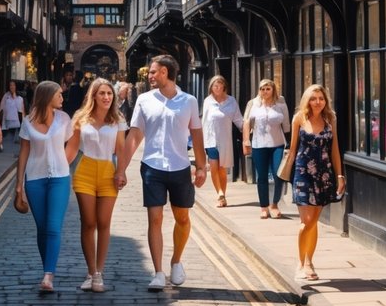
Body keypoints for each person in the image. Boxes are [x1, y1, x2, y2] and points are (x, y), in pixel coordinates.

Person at [116, 55, 206, 291]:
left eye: (153, 72)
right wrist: (121, 169)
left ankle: (176, 261)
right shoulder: (145, 100)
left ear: (166, 72)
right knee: (154, 219)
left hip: (180, 168)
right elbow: (134, 135)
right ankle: (158, 272)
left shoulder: (188, 101)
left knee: (182, 218)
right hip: (152, 167)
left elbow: (196, 135)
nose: (150, 76)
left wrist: (202, 167)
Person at [67, 77, 127, 293]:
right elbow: (72, 150)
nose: (106, 97)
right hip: (84, 171)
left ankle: (99, 272)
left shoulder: (118, 120)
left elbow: (120, 149)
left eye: (109, 94)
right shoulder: (80, 118)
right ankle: (90, 271)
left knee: (103, 222)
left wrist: (121, 172)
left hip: (108, 173)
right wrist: (57, 169)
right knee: (88, 222)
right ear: (93, 96)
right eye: (102, 93)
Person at [16, 80, 75, 293]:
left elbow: (73, 145)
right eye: (58, 94)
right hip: (35, 179)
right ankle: (46, 268)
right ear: (47, 96)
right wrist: (19, 184)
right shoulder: (28, 121)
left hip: (59, 178)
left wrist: (64, 162)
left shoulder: (64, 119)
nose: (62, 97)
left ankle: (48, 274)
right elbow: (23, 152)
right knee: (42, 228)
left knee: (52, 227)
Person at [289, 83, 344, 281]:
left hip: (324, 175)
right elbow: (293, 149)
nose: (317, 102)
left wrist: (339, 175)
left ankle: (309, 262)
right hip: (303, 174)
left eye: (320, 98)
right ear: (307, 100)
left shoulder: (330, 119)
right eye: (313, 98)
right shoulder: (299, 119)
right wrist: (288, 174)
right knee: (307, 222)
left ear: (325, 101)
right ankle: (300, 262)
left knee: (314, 222)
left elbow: (335, 149)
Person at [242, 78, 291, 219]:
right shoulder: (253, 104)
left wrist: (291, 144)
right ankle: (264, 206)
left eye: (268, 89)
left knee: (278, 175)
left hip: (278, 144)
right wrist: (246, 141)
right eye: (262, 89)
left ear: (273, 89)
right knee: (261, 177)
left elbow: (287, 125)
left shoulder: (281, 103)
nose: (265, 91)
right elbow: (246, 123)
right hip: (259, 145)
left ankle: (274, 204)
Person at [201, 75, 243, 208]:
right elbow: (204, 122)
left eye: (220, 85)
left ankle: (222, 195)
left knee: (222, 169)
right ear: (211, 88)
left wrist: (248, 130)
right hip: (211, 140)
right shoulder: (208, 101)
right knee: (214, 167)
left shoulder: (231, 101)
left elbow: (238, 120)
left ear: (224, 86)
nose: (217, 88)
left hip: (225, 140)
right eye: (215, 86)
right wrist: (201, 142)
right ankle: (219, 193)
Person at [0, 81, 25, 147]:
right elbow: (1, 108)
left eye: (13, 85)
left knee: (14, 142)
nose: (12, 87)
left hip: (17, 122)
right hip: (7, 122)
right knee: (7, 142)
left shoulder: (20, 98)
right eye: (10, 85)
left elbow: (21, 110)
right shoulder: (6, 96)